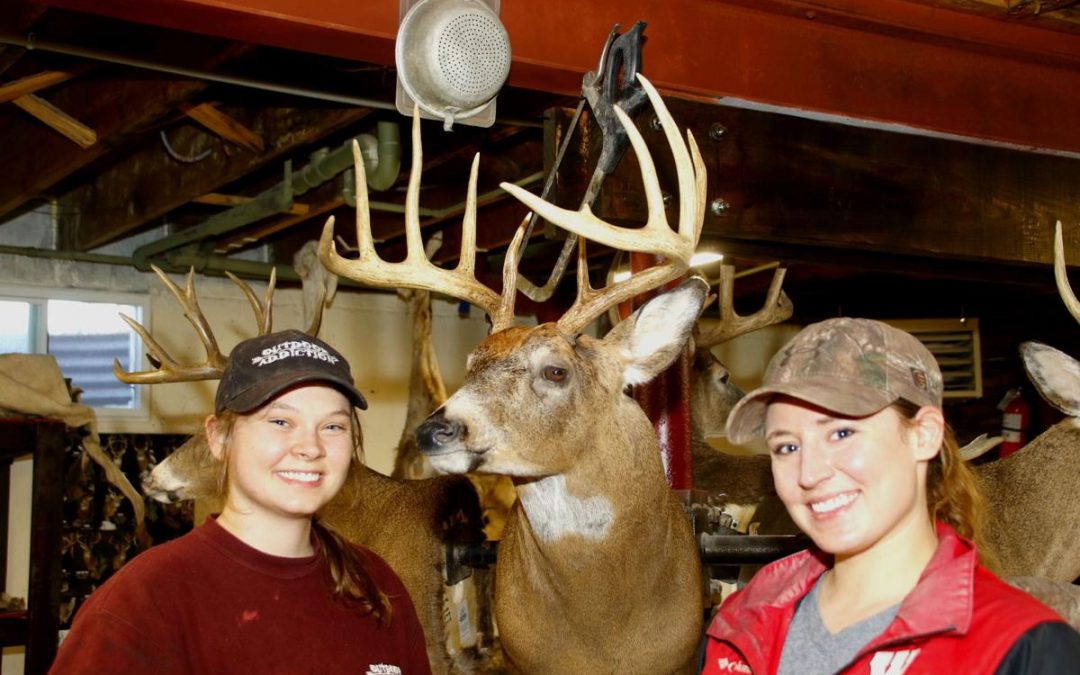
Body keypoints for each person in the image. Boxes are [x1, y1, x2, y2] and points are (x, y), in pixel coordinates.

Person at [701, 318, 1080, 674]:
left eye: (841, 434)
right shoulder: (742, 620)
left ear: (924, 435)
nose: (809, 473)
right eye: (786, 447)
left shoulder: (1024, 646)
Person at [51, 329, 433, 674]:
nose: (311, 447)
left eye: (333, 426)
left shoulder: (375, 584)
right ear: (218, 439)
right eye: (280, 421)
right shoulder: (142, 602)